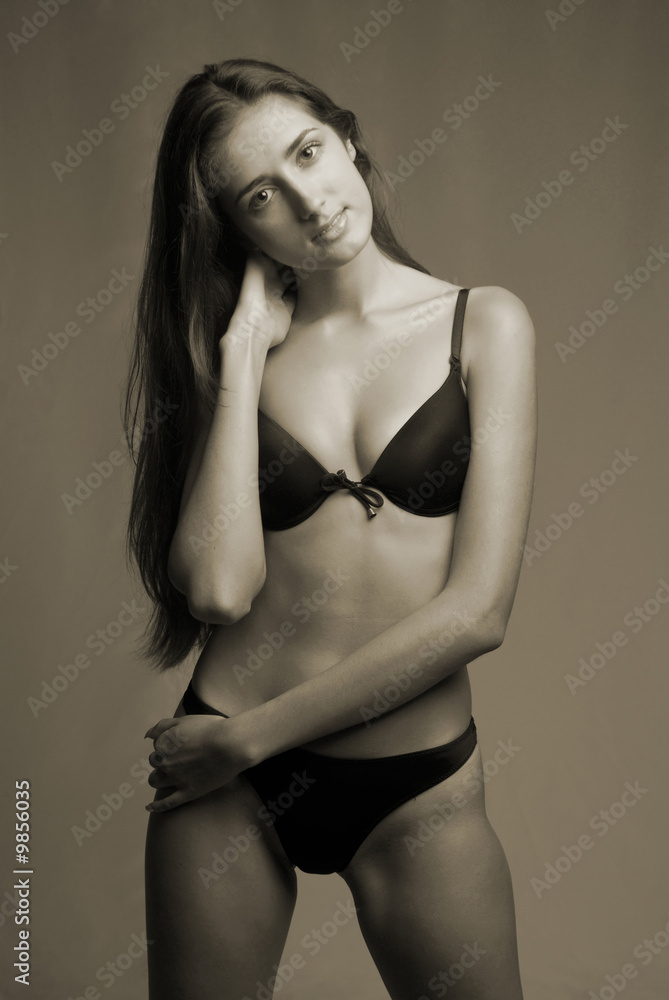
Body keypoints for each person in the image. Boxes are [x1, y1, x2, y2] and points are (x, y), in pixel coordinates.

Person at [124, 57, 537, 1000]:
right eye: (261, 195)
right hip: (224, 784)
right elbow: (218, 589)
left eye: (308, 153)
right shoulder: (240, 358)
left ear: (347, 138)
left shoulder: (483, 325)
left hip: (402, 785)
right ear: (234, 226)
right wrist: (240, 359)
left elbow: (478, 614)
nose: (309, 203)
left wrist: (249, 739)